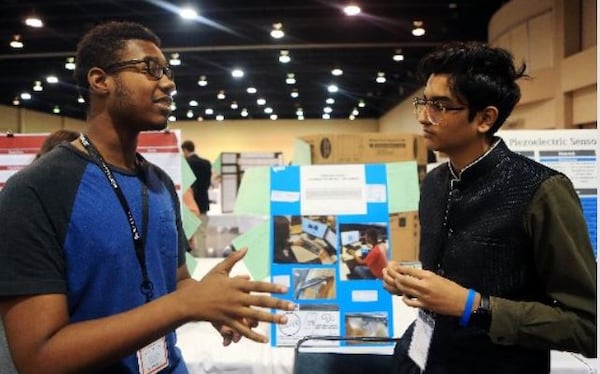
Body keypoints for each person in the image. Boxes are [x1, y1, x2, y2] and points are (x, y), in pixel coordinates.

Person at [0, 21, 294, 374]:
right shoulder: (35, 191)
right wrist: (184, 306)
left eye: (168, 72)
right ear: (100, 80)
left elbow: (177, 281)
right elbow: (39, 357)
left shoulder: (157, 183)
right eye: (150, 69)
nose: (168, 83)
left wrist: (212, 301)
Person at [383, 41, 596, 373]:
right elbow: (443, 284)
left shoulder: (542, 191)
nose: (424, 117)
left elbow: (588, 327)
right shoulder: (435, 182)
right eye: (424, 102)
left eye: (440, 106)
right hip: (420, 358)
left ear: (484, 118)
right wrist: (410, 281)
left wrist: (473, 307)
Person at [181, 140, 212, 257]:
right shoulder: (206, 163)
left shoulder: (185, 163)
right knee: (201, 234)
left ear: (184, 150)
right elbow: (207, 184)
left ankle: (191, 260)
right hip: (203, 203)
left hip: (188, 204)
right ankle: (203, 258)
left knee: (188, 235)